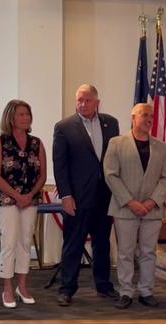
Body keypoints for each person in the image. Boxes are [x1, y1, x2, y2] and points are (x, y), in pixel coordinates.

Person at [53, 84, 120, 306]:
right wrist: (66, 196)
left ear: (97, 102)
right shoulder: (64, 127)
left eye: (87, 100)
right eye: (79, 100)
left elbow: (114, 159)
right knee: (73, 244)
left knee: (102, 244)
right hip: (77, 199)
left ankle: (104, 286)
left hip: (104, 197)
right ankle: (67, 289)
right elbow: (59, 165)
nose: (82, 104)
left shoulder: (111, 123)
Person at [103, 103, 166, 309]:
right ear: (133, 117)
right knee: (125, 251)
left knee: (149, 251)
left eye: (151, 115)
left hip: (152, 209)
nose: (149, 119)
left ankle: (146, 291)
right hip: (125, 208)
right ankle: (125, 292)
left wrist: (152, 201)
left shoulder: (161, 146)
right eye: (144, 115)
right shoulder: (116, 143)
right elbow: (110, 174)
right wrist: (130, 202)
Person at [0, 99, 47, 308]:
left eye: (28, 114)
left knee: (25, 242)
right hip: (6, 200)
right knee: (10, 241)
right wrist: (17, 196)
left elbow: (42, 175)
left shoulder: (37, 143)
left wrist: (29, 195)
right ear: (11, 117)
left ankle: (22, 286)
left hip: (31, 199)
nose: (26, 118)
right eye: (21, 114)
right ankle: (6, 289)